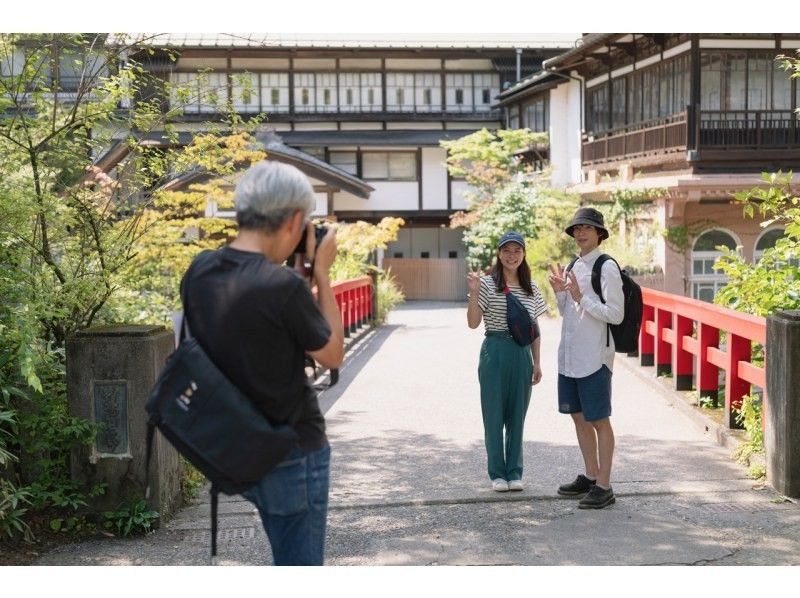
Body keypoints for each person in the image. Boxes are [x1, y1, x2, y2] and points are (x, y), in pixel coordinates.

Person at [179, 160, 344, 564]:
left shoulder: (200, 270)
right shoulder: (282, 286)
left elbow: (256, 326)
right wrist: (320, 274)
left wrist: (298, 278)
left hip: (234, 444)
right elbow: (331, 353)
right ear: (293, 221)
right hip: (292, 449)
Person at [547, 207, 624, 509]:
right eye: (576, 228)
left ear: (599, 233)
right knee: (577, 416)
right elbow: (569, 312)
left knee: (598, 419)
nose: (580, 232)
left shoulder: (606, 267)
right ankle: (590, 476)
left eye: (587, 228)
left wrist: (581, 297)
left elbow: (616, 315)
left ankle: (604, 486)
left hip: (594, 355)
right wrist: (561, 294)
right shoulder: (573, 265)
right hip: (570, 356)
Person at [467, 232, 546, 492]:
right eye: (506, 251)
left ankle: (514, 472)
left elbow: (534, 328)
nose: (512, 256)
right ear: (499, 254)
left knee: (517, 416)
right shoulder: (488, 284)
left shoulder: (531, 288)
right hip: (495, 350)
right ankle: (497, 474)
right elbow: (473, 323)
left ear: (524, 255)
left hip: (521, 353)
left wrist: (537, 362)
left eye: (517, 251)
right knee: (493, 414)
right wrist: (474, 293)